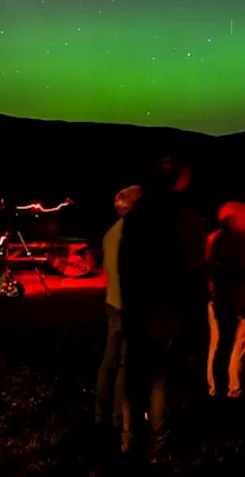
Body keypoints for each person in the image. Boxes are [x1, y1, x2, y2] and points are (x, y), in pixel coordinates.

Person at [117, 156, 205, 460]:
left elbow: (125, 266)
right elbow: (192, 268)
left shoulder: (136, 217)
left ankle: (128, 438)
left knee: (133, 374)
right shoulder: (184, 217)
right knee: (159, 378)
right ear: (180, 180)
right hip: (165, 309)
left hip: (136, 306)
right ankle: (156, 441)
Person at [95, 184, 143, 451]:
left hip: (113, 303)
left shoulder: (112, 232)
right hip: (131, 307)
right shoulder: (136, 235)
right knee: (127, 364)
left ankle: (101, 415)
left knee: (109, 359)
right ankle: (119, 420)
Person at [204, 201, 245, 399]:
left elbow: (207, 267)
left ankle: (215, 388)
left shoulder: (213, 239)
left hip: (218, 298)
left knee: (216, 344)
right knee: (239, 346)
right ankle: (235, 389)